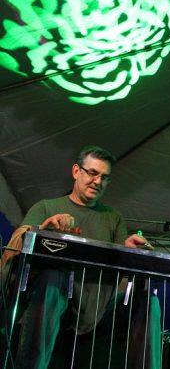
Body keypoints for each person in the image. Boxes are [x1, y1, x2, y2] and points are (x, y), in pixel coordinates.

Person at [3, 145, 157, 369]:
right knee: (53, 278)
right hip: (53, 301)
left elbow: (120, 269)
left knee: (148, 298)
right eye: (92, 173)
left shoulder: (113, 218)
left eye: (104, 177)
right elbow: (14, 246)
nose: (97, 181)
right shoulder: (47, 207)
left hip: (98, 306)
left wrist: (130, 251)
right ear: (76, 171)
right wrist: (42, 230)